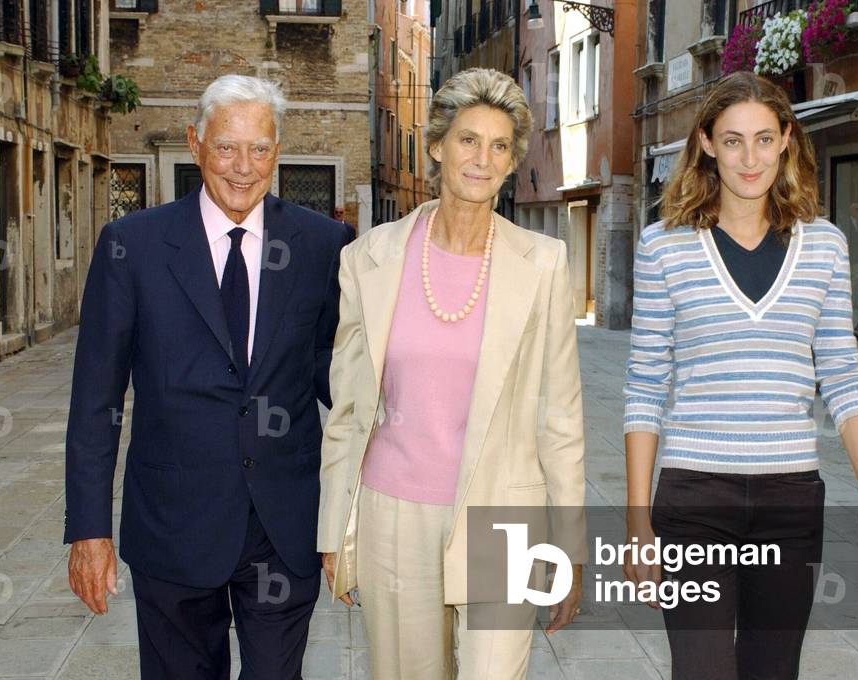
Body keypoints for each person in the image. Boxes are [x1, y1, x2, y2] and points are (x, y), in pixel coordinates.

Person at [64, 74, 351, 679]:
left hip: (284, 524)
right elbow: (96, 397)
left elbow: (338, 372)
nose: (243, 167)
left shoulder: (324, 245)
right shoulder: (133, 246)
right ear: (196, 144)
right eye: (226, 147)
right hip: (173, 525)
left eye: (260, 148)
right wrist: (89, 529)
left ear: (278, 150)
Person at [622, 71, 858, 680]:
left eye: (762, 139)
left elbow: (844, 377)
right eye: (731, 140)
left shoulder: (825, 246)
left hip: (789, 500)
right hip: (694, 499)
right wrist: (636, 518)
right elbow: (644, 387)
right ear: (705, 144)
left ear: (786, 142)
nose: (749, 158)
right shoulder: (663, 247)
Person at [318, 67, 586, 680]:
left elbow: (562, 418)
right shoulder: (369, 259)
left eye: (498, 147)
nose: (482, 159)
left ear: (512, 161)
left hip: (504, 517)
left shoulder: (543, 263)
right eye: (468, 140)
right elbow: (349, 410)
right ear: (437, 146)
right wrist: (334, 527)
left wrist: (570, 546)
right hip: (395, 514)